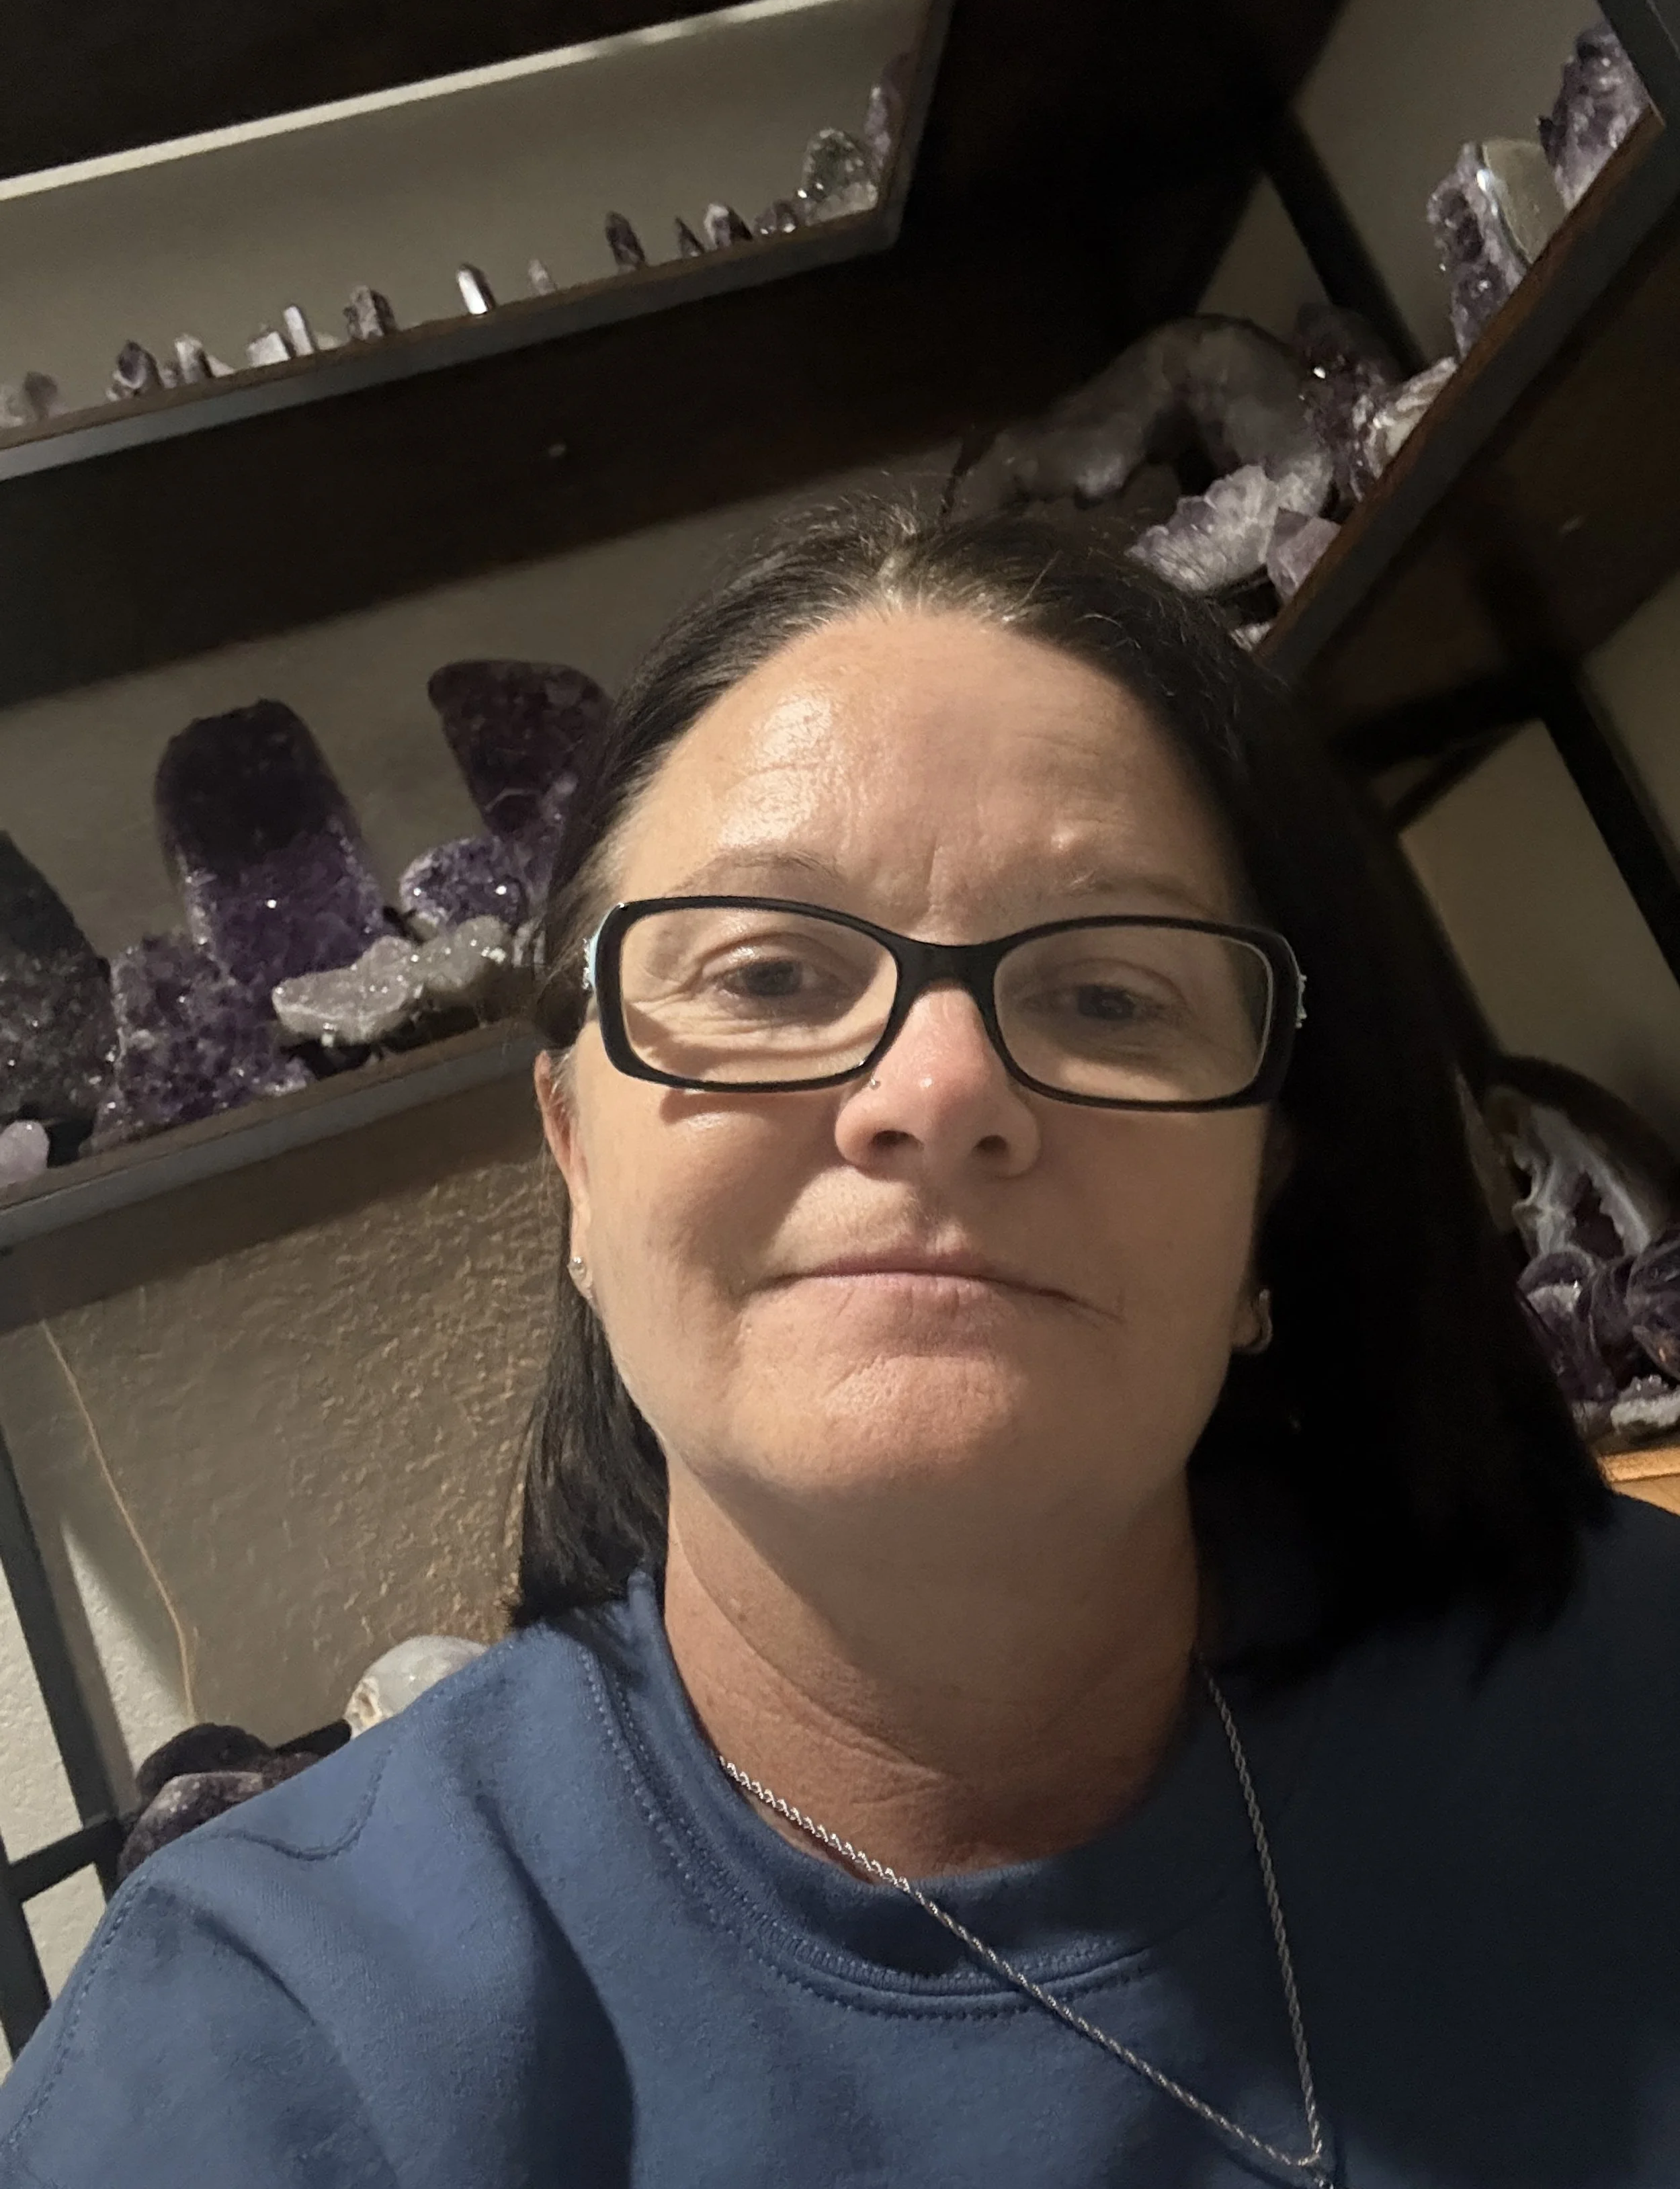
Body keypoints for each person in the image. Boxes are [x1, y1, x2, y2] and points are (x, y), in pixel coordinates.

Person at [1, 503, 1676, 2189]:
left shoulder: (1623, 1690)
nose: (939, 1093)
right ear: (576, 1159)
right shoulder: (263, 2055)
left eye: (1104, 995)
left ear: (1266, 1192)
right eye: (770, 972)